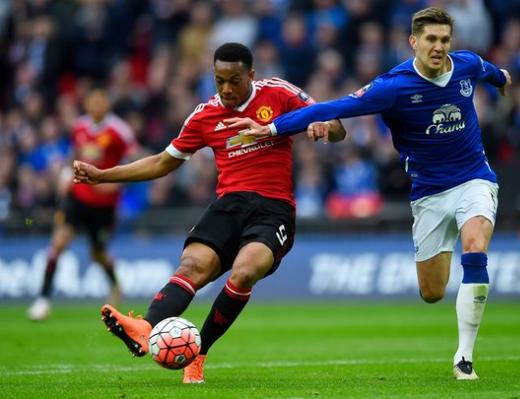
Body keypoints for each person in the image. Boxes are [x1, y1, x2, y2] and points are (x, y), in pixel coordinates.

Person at [225, 7, 512, 380]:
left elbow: (491, 71)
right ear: (414, 42)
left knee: (474, 247)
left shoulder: (467, 65)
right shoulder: (393, 87)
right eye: (430, 39)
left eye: (444, 39)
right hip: (428, 194)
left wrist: (502, 78)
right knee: (432, 292)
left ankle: (464, 358)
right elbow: (335, 107)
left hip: (475, 178)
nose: (438, 47)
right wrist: (273, 127)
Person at [72, 42, 345, 384]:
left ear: (251, 75)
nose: (227, 89)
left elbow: (337, 126)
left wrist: (324, 128)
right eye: (219, 81)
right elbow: (160, 163)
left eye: (234, 80)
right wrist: (102, 174)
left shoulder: (279, 92)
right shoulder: (204, 115)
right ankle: (144, 327)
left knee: (245, 271)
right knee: (191, 266)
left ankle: (198, 355)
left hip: (273, 209)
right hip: (228, 205)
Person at [28, 89, 137, 321]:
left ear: (107, 103)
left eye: (100, 101)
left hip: (104, 205)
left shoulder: (119, 131)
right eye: (92, 102)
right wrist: (66, 174)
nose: (96, 106)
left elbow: (134, 160)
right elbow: (73, 155)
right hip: (77, 197)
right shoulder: (79, 127)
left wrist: (116, 185)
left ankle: (116, 285)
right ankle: (43, 300)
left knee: (98, 254)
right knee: (58, 243)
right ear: (86, 104)